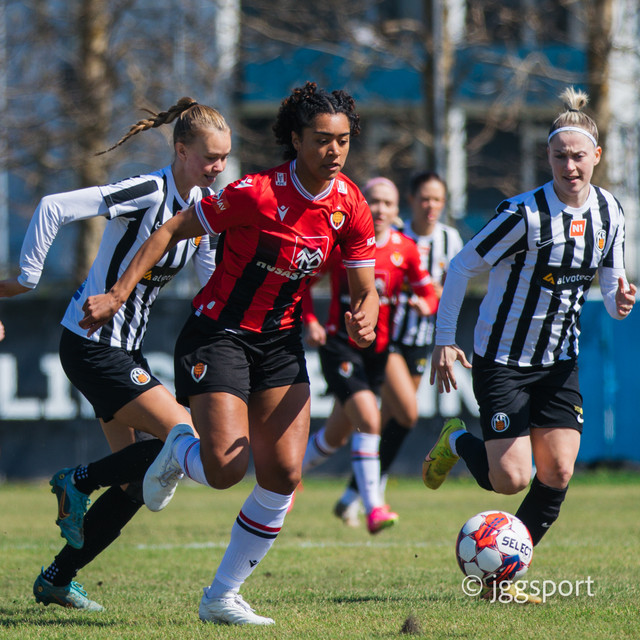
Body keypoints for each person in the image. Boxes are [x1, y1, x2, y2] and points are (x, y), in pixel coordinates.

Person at [78, 82, 379, 626]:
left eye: (342, 140)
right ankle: (177, 448)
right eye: (321, 139)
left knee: (283, 473)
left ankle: (222, 596)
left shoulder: (351, 204)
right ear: (295, 139)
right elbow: (172, 229)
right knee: (224, 471)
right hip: (219, 335)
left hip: (280, 342)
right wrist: (120, 292)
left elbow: (365, 287)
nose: (333, 151)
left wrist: (368, 313)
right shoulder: (254, 192)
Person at [0, 97, 231, 610]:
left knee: (134, 483)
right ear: (181, 150)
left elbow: (211, 283)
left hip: (125, 351)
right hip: (92, 346)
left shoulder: (205, 210)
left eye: (224, 158)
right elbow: (53, 207)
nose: (218, 167)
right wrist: (27, 278)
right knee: (184, 437)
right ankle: (76, 480)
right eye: (210, 157)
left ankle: (57, 578)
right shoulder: (150, 190)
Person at [424, 87, 636, 600]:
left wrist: (622, 300)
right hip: (503, 359)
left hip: (559, 360)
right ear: (548, 157)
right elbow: (461, 266)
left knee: (558, 470)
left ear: (597, 156)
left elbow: (612, 292)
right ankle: (457, 440)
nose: (569, 166)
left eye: (578, 156)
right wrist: (444, 339)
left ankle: (502, 579)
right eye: (560, 156)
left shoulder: (611, 213)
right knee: (510, 479)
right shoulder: (523, 215)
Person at [301, 176, 439, 533]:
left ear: (396, 210)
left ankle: (290, 472)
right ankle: (374, 507)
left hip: (379, 349)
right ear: (361, 205)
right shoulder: (340, 244)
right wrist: (311, 321)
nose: (380, 209)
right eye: (373, 201)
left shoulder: (406, 249)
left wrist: (427, 304)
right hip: (340, 345)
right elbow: (303, 284)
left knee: (337, 435)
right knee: (369, 420)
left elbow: (429, 292)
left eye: (387, 203)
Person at [333, 171, 463, 526]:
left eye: (438, 199)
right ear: (411, 201)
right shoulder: (396, 233)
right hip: (389, 338)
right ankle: (363, 495)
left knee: (394, 418)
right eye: (425, 198)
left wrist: (432, 299)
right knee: (395, 415)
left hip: (420, 339)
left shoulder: (450, 239)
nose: (431, 205)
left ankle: (356, 494)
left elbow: (452, 287)